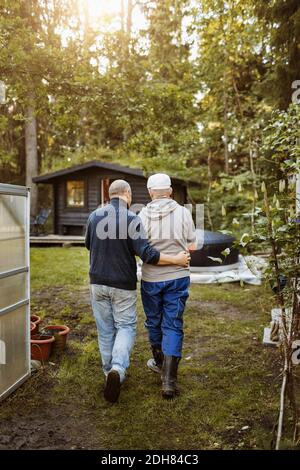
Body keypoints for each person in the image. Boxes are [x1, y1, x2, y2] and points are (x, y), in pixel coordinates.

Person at [85, 179, 190, 403]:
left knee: (105, 329)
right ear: (128, 194)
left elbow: (88, 244)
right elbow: (147, 253)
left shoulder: (95, 216)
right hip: (123, 283)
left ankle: (108, 373)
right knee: (125, 326)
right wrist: (176, 259)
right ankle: (118, 369)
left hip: (97, 282)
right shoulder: (132, 218)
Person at [139, 173, 197, 399]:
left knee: (154, 321)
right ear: (170, 191)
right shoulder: (183, 212)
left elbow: (141, 249)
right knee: (172, 324)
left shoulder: (141, 215)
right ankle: (169, 381)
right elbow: (192, 242)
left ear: (151, 192)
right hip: (178, 276)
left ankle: (159, 361)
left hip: (151, 278)